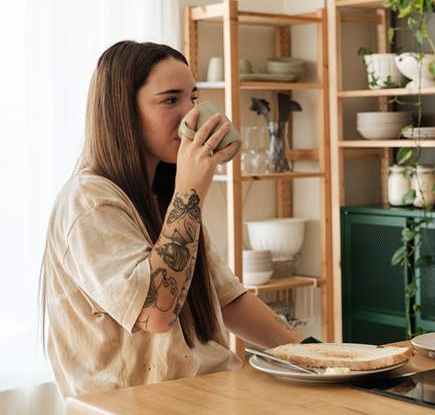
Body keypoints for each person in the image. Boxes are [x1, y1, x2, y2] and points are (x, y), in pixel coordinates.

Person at [41, 41, 303, 397]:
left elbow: (228, 299)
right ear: (124, 112)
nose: (190, 115)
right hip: (136, 404)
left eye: (192, 99)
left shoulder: (165, 196)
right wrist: (190, 192)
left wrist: (316, 354)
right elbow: (155, 314)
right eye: (170, 100)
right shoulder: (88, 201)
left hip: (205, 391)